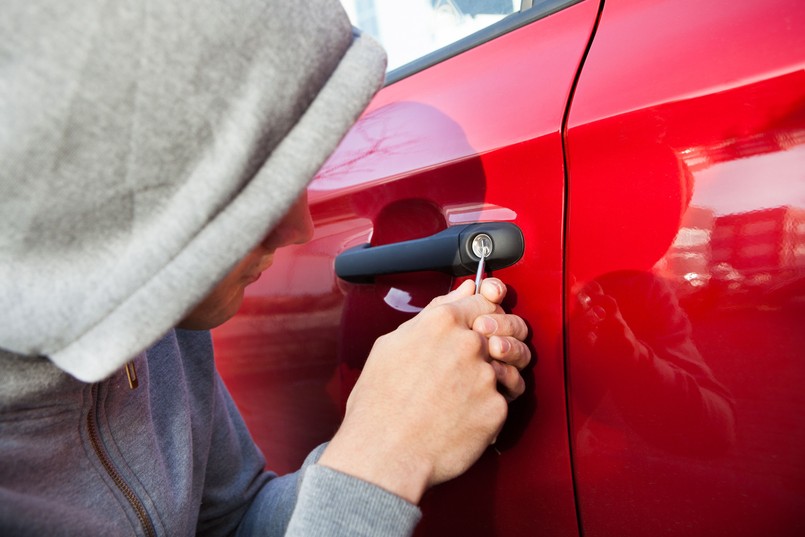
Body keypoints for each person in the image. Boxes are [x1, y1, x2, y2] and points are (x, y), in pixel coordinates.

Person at [0, 1, 531, 535]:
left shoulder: (163, 330)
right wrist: (386, 458)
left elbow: (233, 523)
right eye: (254, 184)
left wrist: (390, 428)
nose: (299, 229)